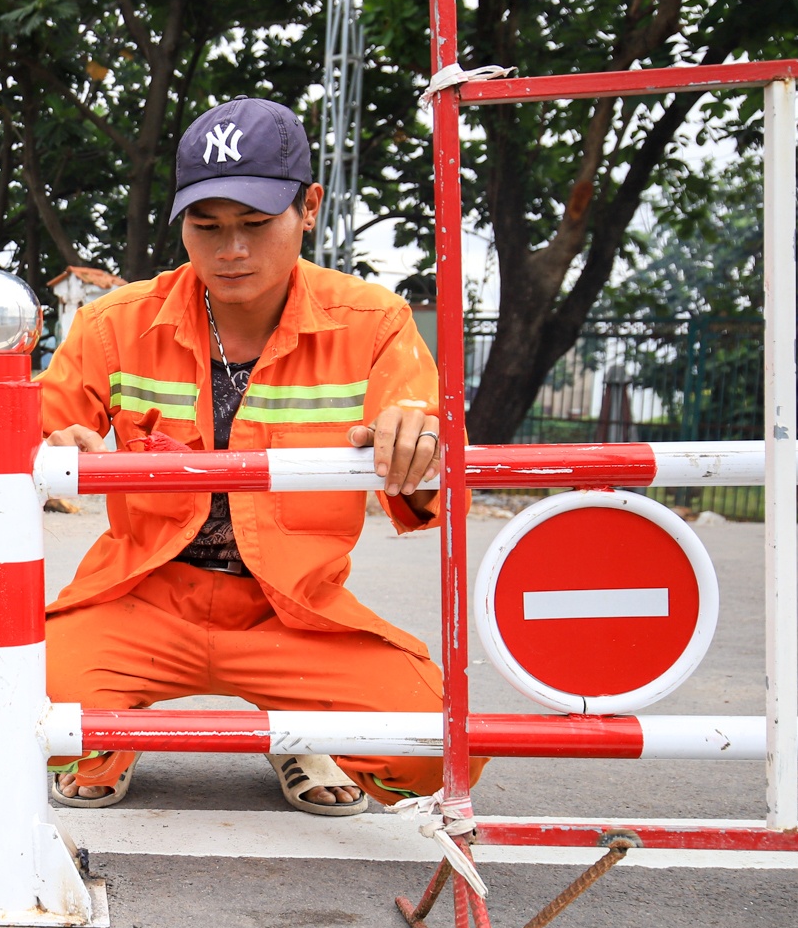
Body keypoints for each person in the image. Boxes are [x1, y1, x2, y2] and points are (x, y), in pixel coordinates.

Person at [40, 97, 485, 813]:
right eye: (206, 227)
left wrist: (416, 441)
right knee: (7, 705)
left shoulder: (374, 325)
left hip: (294, 608)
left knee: (432, 747)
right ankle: (109, 732)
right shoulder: (114, 324)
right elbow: (31, 437)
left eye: (254, 224)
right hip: (145, 595)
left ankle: (302, 732)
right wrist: (54, 447)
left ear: (308, 208)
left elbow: (422, 449)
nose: (231, 250)